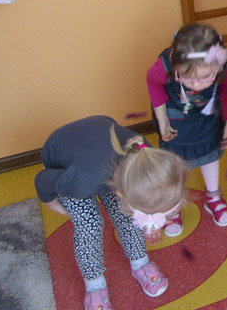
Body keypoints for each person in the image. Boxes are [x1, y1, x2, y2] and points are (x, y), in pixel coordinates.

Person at [35, 115, 189, 310]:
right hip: (64, 160)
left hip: (99, 142)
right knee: (89, 225)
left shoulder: (148, 157)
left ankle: (140, 262)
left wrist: (149, 222)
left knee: (126, 216)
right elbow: (43, 180)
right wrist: (52, 204)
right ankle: (95, 286)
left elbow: (149, 204)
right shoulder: (79, 182)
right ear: (120, 193)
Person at [146, 23, 227, 236]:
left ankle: (213, 197)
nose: (196, 85)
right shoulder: (164, 66)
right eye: (187, 78)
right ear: (176, 66)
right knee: (175, 163)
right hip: (175, 119)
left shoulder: (224, 64)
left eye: (205, 78)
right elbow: (152, 81)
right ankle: (173, 205)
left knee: (209, 153)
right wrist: (162, 119)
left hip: (207, 117)